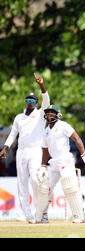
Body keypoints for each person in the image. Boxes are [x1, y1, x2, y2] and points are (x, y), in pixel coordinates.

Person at [0, 73, 50, 223]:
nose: (30, 102)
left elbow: (46, 101)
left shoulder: (41, 114)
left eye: (33, 100)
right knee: (21, 182)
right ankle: (27, 214)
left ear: (36, 102)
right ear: (25, 102)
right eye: (28, 99)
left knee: (35, 181)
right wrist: (5, 148)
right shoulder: (18, 117)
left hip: (36, 150)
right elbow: (13, 134)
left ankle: (38, 213)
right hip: (21, 151)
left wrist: (41, 85)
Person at [34, 104, 85, 223]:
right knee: (45, 188)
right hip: (54, 162)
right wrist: (42, 166)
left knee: (69, 186)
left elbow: (77, 139)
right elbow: (45, 150)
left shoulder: (63, 126)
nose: (50, 114)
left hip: (65, 160)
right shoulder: (45, 131)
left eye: (53, 112)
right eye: (48, 112)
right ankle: (43, 215)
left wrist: (83, 155)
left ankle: (79, 215)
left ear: (57, 114)